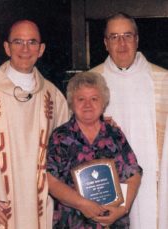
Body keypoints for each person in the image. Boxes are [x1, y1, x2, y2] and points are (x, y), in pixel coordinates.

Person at [0, 20, 68, 229]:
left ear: (41, 50)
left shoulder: (53, 96)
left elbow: (66, 149)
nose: (25, 49)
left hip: (39, 204)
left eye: (32, 42)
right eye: (18, 42)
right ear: (7, 47)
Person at [90, 12, 168, 229]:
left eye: (127, 35)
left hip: (154, 186)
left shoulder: (163, 80)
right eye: (114, 37)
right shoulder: (89, 83)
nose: (122, 43)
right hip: (106, 186)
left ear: (137, 39)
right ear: (105, 43)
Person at [47, 71, 142, 228]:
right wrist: (82, 204)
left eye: (94, 99)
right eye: (81, 99)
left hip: (113, 223)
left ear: (104, 102)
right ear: (71, 102)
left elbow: (134, 174)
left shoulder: (115, 135)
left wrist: (123, 209)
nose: (87, 105)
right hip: (72, 222)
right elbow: (50, 181)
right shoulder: (60, 137)